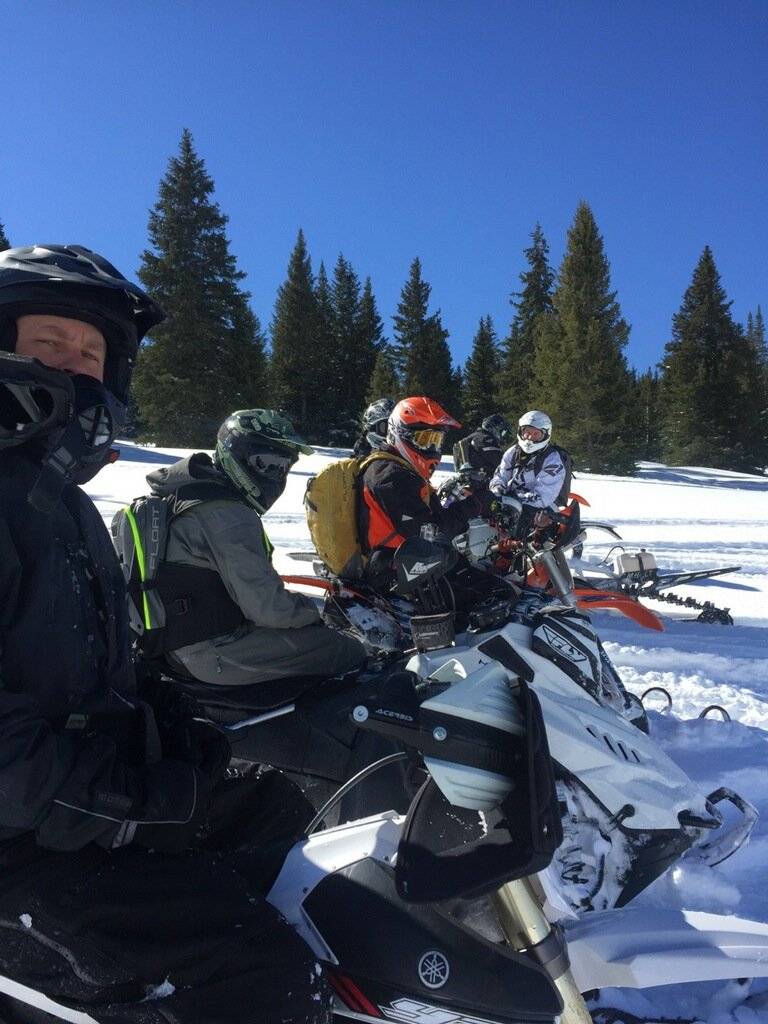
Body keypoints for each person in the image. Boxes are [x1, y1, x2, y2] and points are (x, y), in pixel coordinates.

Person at [0, 244, 329, 1024]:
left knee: (279, 819)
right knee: (265, 977)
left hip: (59, 809)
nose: (77, 370)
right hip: (18, 845)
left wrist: (163, 721)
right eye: (53, 345)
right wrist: (112, 797)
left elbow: (91, 655)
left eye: (94, 354)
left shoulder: (63, 501)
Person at [135, 408, 366, 690]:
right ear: (234, 454)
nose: (274, 475)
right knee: (347, 650)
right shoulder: (226, 512)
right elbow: (268, 608)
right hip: (212, 651)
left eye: (282, 467)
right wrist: (319, 612)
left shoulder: (189, 494)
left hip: (181, 643)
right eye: (265, 462)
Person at [357, 396, 510, 619]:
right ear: (400, 434)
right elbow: (429, 532)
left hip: (407, 565)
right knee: (500, 597)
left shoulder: (395, 468)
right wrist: (474, 505)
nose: (431, 448)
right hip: (403, 575)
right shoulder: (392, 476)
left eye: (436, 441)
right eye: (425, 439)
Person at [490, 410, 570, 531]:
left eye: (536, 434)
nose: (529, 438)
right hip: (513, 499)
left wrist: (514, 498)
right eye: (526, 432)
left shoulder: (552, 459)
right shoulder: (513, 451)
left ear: (546, 435)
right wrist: (497, 488)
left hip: (543, 504)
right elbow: (501, 474)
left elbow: (543, 496)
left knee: (515, 533)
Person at [452, 413, 513, 481]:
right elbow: (500, 462)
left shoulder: (475, 436)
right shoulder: (486, 439)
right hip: (481, 481)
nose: (502, 435)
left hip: (470, 478)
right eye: (502, 431)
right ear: (493, 428)